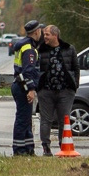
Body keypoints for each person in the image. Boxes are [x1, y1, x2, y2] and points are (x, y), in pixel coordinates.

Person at [35, 24, 80, 155]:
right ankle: (46, 148)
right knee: (46, 120)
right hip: (46, 91)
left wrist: (75, 85)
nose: (45, 37)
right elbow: (36, 69)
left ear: (55, 35)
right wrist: (39, 87)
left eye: (47, 35)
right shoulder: (41, 50)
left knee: (64, 120)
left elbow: (76, 68)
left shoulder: (69, 49)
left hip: (65, 91)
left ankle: (64, 146)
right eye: (44, 35)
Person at [9, 20, 41, 155]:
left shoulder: (23, 46)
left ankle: (28, 148)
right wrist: (31, 90)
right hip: (24, 87)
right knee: (23, 119)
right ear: (36, 32)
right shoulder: (29, 49)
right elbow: (28, 71)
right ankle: (19, 149)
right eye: (40, 31)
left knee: (27, 119)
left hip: (19, 85)